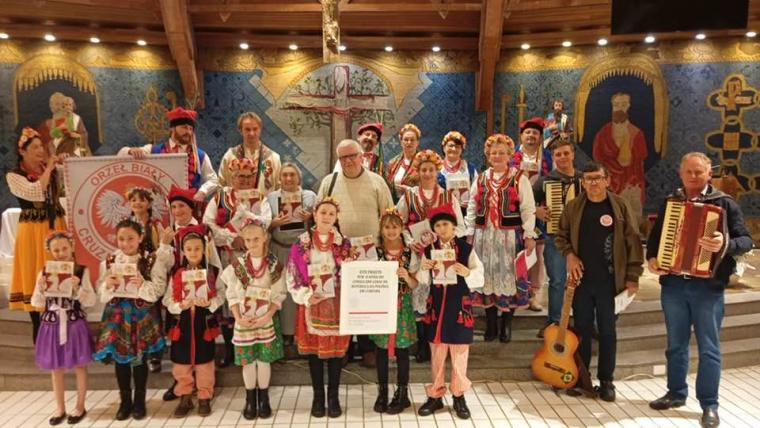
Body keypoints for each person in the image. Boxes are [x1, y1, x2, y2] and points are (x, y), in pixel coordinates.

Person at [647, 152, 753, 428]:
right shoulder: (671, 202)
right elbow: (655, 238)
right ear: (681, 174)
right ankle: (676, 393)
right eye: (689, 172)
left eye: (699, 172)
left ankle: (709, 404)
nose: (693, 176)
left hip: (708, 287)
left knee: (709, 348)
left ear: (709, 174)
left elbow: (746, 240)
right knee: (675, 345)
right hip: (673, 284)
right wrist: (653, 259)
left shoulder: (724, 203)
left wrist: (724, 243)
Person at [554, 161, 643, 401]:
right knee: (582, 330)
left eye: (597, 178)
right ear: (582, 182)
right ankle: (582, 378)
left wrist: (633, 276)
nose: (593, 183)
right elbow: (561, 236)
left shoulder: (619, 206)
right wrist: (569, 255)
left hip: (610, 282)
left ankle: (606, 381)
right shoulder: (573, 207)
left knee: (607, 331)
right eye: (588, 179)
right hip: (581, 281)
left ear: (607, 180)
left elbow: (633, 241)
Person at [316, 139, 393, 367]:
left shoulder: (377, 182)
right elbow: (320, 215)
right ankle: (344, 349)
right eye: (343, 157)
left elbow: (388, 217)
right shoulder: (329, 182)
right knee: (341, 302)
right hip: (337, 254)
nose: (348, 161)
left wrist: (387, 250)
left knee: (365, 302)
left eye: (352, 156)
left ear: (362, 157)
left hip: (370, 253)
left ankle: (367, 348)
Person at [92, 219, 166, 420]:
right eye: (121, 239)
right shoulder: (109, 262)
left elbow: (157, 292)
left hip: (141, 317)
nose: (126, 243)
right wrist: (107, 285)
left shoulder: (151, 261)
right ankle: (125, 401)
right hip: (117, 317)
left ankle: (139, 401)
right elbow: (101, 295)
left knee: (139, 358)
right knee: (120, 359)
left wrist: (142, 284)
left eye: (131, 238)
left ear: (140, 238)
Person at [286, 197, 353, 418]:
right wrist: (306, 296)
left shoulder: (344, 243)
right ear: (315, 214)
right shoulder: (301, 242)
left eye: (331, 214)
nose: (326, 217)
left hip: (337, 303)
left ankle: (333, 397)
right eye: (323, 212)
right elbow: (292, 274)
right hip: (312, 303)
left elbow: (352, 272)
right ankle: (318, 396)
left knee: (335, 354)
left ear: (336, 218)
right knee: (315, 354)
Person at [416, 204, 484, 420]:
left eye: (445, 224)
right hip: (437, 309)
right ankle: (435, 395)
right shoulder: (429, 251)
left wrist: (467, 272)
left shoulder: (466, 249)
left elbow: (479, 276)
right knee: (437, 354)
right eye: (438, 225)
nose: (442, 229)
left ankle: (458, 395)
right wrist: (424, 268)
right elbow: (421, 280)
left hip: (459, 309)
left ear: (454, 226)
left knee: (459, 355)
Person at [467, 134, 537, 343]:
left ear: (509, 155)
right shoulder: (481, 178)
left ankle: (506, 323)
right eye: (493, 153)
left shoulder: (519, 178)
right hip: (484, 237)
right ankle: (491, 323)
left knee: (509, 277)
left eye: (502, 153)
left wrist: (529, 234)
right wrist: (469, 233)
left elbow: (528, 208)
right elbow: (472, 205)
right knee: (487, 276)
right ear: (488, 156)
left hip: (509, 237)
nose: (497, 156)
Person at [396, 149, 463, 362]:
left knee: (439, 296)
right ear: (417, 171)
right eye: (423, 169)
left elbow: (460, 226)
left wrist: (444, 237)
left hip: (442, 255)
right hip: (418, 255)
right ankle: (423, 345)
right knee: (419, 293)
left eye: (431, 170)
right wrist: (410, 241)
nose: (427, 173)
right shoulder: (409, 196)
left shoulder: (447, 196)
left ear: (437, 171)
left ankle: (439, 341)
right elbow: (398, 223)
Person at [204, 157, 272, 367]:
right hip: (229, 256)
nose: (244, 180)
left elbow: (266, 222)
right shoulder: (220, 197)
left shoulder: (260, 197)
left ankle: (256, 347)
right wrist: (232, 238)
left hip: (254, 258)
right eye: (240, 176)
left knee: (252, 296)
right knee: (231, 299)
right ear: (232, 176)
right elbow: (208, 224)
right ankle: (230, 349)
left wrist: (248, 224)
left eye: (248, 176)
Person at [221, 220, 286, 420]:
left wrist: (267, 316)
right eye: (248, 240)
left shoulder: (274, 264)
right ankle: (250, 398)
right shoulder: (237, 265)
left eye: (256, 238)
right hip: (244, 321)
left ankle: (264, 398)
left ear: (265, 237)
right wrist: (238, 317)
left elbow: (279, 295)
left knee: (263, 360)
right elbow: (232, 295)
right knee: (248, 361)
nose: (252, 243)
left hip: (265, 320)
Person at [6, 127, 67, 342]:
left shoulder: (51, 169)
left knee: (59, 274)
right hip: (32, 231)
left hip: (55, 225)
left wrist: (64, 162)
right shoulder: (14, 175)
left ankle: (62, 334)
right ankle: (39, 336)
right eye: (35, 147)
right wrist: (50, 167)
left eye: (42, 146)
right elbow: (35, 192)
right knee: (34, 274)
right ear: (22, 151)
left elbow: (69, 181)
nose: (41, 150)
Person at [160, 225, 225, 418]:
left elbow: (222, 295)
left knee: (205, 363)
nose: (193, 252)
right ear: (183, 251)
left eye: (197, 248)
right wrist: (179, 306)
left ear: (204, 249)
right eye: (189, 249)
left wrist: (211, 303)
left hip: (203, 325)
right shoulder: (176, 273)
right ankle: (185, 396)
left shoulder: (212, 272)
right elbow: (167, 300)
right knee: (181, 364)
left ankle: (204, 396)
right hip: (182, 325)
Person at [32, 231, 94, 426]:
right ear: (50, 251)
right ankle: (60, 407)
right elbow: (36, 303)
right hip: (52, 324)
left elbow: (91, 301)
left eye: (64, 248)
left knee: (80, 365)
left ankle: (80, 405)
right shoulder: (44, 272)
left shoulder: (81, 271)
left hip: (74, 322)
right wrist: (41, 288)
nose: (61, 253)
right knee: (56, 367)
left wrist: (78, 289)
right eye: (56, 250)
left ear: (72, 247)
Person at [370, 208, 419, 415]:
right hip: (381, 305)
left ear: (402, 228)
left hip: (402, 305)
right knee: (381, 350)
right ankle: (382, 392)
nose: (391, 231)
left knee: (402, 351)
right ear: (381, 229)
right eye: (387, 227)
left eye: (395, 227)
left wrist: (406, 276)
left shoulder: (409, 252)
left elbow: (415, 284)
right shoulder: (375, 252)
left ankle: (402, 393)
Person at [532, 139, 582, 338]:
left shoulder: (584, 179)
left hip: (582, 239)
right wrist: (536, 210)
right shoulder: (545, 181)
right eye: (558, 154)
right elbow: (525, 203)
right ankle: (554, 321)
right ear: (553, 157)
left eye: (566, 153)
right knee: (557, 281)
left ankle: (582, 321)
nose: (562, 157)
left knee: (582, 281)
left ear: (573, 155)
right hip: (555, 238)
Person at [120, 107, 219, 201]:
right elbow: (121, 156)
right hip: (159, 205)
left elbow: (213, 179)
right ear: (172, 128)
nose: (188, 132)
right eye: (184, 127)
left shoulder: (200, 156)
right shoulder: (153, 150)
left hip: (189, 207)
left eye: (190, 129)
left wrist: (202, 192)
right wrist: (130, 151)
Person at [266, 163, 316, 344]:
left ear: (299, 178)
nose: (288, 178)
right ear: (279, 179)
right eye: (285, 175)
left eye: (292, 175)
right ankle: (283, 336)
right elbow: (263, 224)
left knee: (300, 290)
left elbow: (321, 221)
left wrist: (310, 217)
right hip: (278, 248)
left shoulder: (309, 196)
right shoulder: (271, 198)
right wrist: (274, 223)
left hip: (301, 252)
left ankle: (300, 334)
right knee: (279, 291)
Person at [512, 117, 553, 312]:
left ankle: (533, 295)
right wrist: (530, 208)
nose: (531, 136)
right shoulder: (511, 157)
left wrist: (540, 209)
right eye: (527, 132)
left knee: (537, 254)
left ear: (540, 137)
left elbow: (551, 183)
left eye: (535, 133)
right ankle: (516, 293)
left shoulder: (548, 158)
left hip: (540, 212)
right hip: (514, 211)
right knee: (516, 253)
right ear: (521, 136)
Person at [592, 92, 648, 225]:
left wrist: (627, 139)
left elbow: (625, 161)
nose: (619, 108)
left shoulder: (636, 134)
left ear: (628, 106)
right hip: (607, 187)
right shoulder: (602, 134)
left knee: (631, 225)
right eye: (616, 104)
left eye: (623, 104)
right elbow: (597, 160)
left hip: (630, 186)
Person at [218, 112, 282, 191]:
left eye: (255, 129)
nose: (251, 133)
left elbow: (280, 190)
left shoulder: (273, 158)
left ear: (260, 130)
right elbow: (220, 185)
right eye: (247, 129)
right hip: (235, 199)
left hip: (265, 199)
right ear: (240, 131)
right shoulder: (230, 156)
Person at [438, 131, 478, 216]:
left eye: (457, 147)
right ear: (444, 148)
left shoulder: (470, 169)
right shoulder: (436, 168)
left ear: (462, 150)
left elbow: (477, 192)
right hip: (442, 214)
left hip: (466, 214)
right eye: (451, 145)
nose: (454, 149)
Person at [385, 123, 422, 203]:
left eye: (412, 140)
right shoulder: (392, 163)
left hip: (416, 205)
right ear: (401, 142)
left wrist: (410, 191)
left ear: (417, 142)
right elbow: (386, 187)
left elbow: (431, 189)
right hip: (395, 205)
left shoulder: (424, 162)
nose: (409, 142)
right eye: (406, 139)